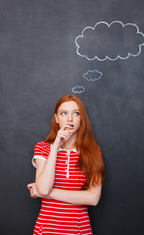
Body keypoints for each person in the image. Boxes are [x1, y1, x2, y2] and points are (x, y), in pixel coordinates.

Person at [27, 94, 106, 235]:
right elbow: (44, 188)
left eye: (76, 113)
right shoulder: (43, 148)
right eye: (64, 113)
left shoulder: (93, 151)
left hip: (79, 230)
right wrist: (56, 146)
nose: (70, 119)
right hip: (46, 229)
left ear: (82, 118)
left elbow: (93, 198)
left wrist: (45, 193)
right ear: (56, 118)